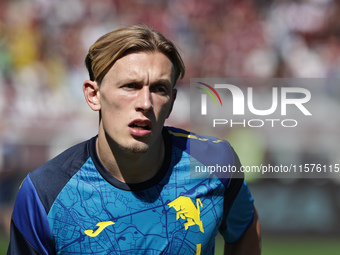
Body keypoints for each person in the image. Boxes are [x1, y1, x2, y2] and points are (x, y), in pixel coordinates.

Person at [7, 24, 261, 255]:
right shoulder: (43, 193)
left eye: (159, 89)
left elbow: (245, 229)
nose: (145, 103)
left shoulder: (215, 164)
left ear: (172, 103)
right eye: (130, 86)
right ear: (93, 95)